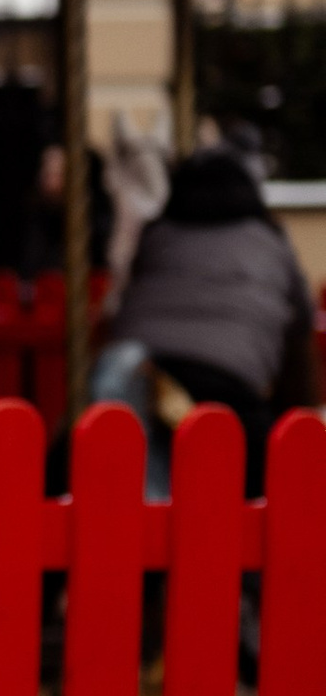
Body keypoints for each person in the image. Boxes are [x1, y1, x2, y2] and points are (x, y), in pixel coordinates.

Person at [89, 131, 320, 479]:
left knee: (93, 471)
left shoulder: (159, 234)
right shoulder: (270, 241)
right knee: (264, 482)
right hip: (228, 382)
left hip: (141, 369)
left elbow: (126, 302)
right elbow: (300, 327)